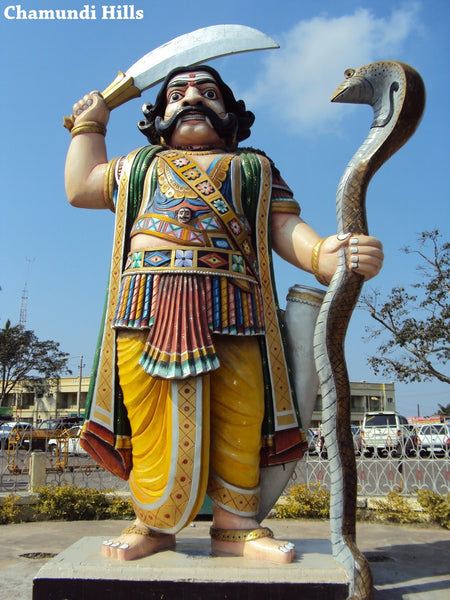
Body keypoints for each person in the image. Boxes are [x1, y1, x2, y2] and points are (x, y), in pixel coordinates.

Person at [65, 66, 383, 563]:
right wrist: (91, 124)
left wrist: (325, 254)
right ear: (157, 117)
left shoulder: (253, 168)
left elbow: (284, 227)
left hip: (233, 301)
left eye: (208, 92)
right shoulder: (139, 166)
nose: (192, 98)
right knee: (149, 415)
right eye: (177, 93)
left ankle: (237, 526)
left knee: (241, 411)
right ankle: (153, 522)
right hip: (147, 301)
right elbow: (82, 187)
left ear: (232, 114)